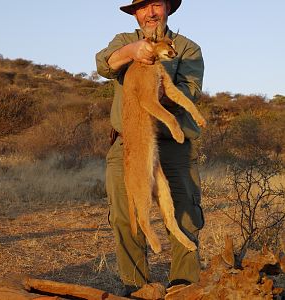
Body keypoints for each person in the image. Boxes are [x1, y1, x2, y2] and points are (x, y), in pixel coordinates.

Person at [96, 0, 204, 296]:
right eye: (143, 7)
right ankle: (136, 287)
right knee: (123, 213)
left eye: (156, 4)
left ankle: (184, 286)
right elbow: (103, 64)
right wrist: (132, 52)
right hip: (128, 141)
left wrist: (154, 87)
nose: (151, 12)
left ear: (167, 8)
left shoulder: (186, 47)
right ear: (136, 13)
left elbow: (190, 91)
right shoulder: (124, 41)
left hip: (173, 141)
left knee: (184, 211)